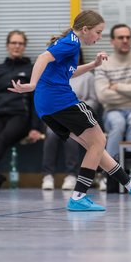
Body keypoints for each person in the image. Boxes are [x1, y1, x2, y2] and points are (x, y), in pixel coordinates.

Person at [8, 10, 131, 211]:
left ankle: (130, 185)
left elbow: (69, 73)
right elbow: (42, 58)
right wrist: (32, 83)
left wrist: (94, 64)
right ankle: (79, 196)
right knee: (99, 141)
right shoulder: (71, 42)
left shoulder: (69, 42)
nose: (99, 38)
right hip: (60, 101)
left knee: (94, 146)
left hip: (47, 106)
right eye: (98, 32)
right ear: (85, 29)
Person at [0, 30, 43, 190]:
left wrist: (35, 127)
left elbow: (35, 100)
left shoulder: (31, 69)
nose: (17, 46)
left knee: (2, 139)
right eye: (14, 43)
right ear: (7, 45)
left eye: (20, 43)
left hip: (20, 116)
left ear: (24, 46)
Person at [42, 48, 99, 191]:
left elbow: (93, 100)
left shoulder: (88, 76)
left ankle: (71, 175)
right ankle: (47, 175)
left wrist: (77, 108)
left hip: (78, 116)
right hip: (57, 116)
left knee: (72, 136)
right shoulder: (54, 74)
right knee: (50, 134)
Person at [95, 24, 131, 159]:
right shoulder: (103, 64)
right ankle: (111, 170)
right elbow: (103, 96)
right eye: (121, 37)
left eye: (128, 37)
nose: (125, 40)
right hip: (112, 111)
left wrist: (117, 86)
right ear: (112, 41)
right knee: (118, 122)